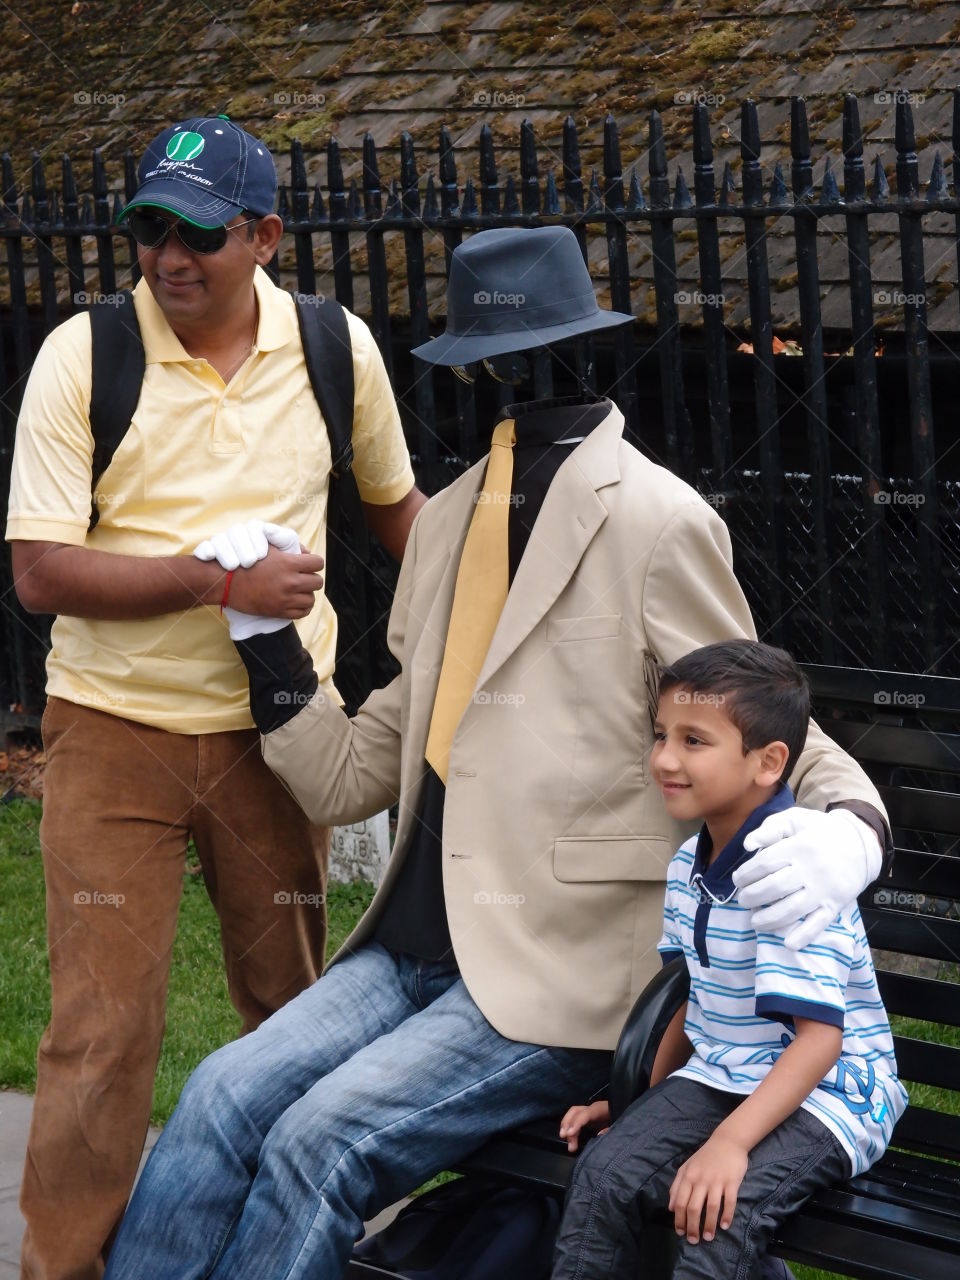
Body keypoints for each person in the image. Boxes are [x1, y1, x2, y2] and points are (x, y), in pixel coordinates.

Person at [103, 226, 890, 1279]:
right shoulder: (445, 523)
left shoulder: (656, 520)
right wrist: (267, 644)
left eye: (533, 356)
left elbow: (768, 713)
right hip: (410, 947)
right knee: (216, 1099)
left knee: (316, 1139)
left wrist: (853, 830)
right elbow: (357, 766)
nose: (516, 380)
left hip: (557, 974)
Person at [6, 114, 424, 1280]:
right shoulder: (84, 356)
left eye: (196, 232)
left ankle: (285, 1247)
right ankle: (66, 1269)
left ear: (264, 234)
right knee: (102, 1032)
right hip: (110, 726)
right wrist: (214, 581)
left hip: (279, 730)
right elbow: (39, 570)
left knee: (292, 1016)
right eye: (147, 227)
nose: (167, 255)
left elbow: (403, 519)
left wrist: (506, 604)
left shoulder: (336, 350)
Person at [551, 639, 907, 1279]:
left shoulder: (794, 875)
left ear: (768, 763)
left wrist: (728, 1144)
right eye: (662, 735)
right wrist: (638, 1103)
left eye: (694, 741)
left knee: (720, 1215)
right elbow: (695, 999)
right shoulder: (689, 863)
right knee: (603, 1175)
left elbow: (821, 1042)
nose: (664, 758)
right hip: (725, 1074)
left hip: (831, 1096)